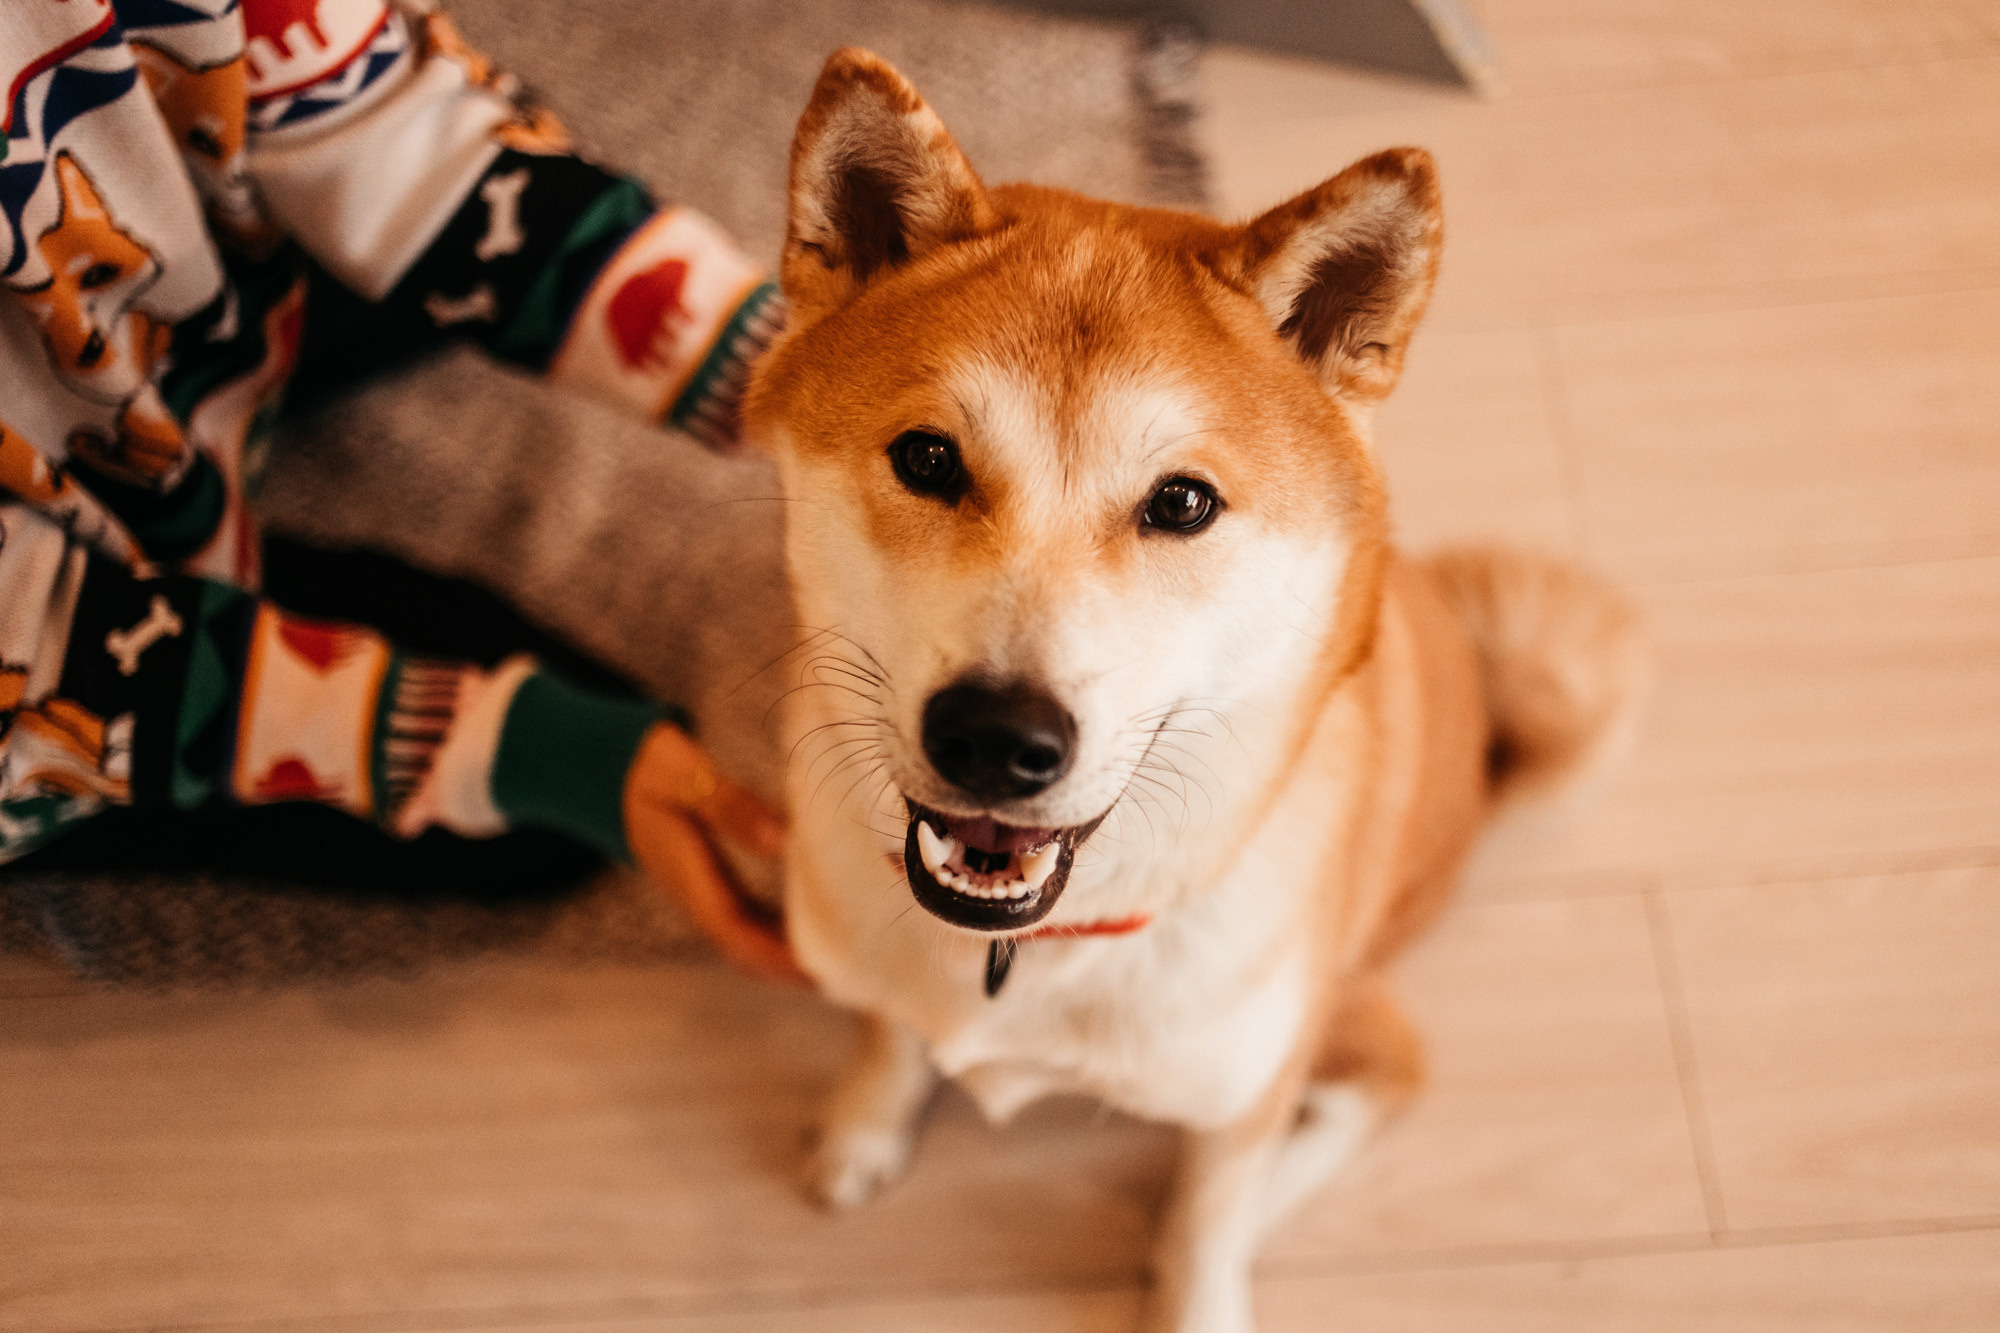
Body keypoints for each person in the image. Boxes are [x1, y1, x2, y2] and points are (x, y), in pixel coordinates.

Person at [0, 0, 800, 981]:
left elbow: (392, 121)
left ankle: (206, 347)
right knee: (551, 801)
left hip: (128, 291)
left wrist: (806, 382)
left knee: (465, 229)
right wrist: (509, 745)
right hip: (39, 633)